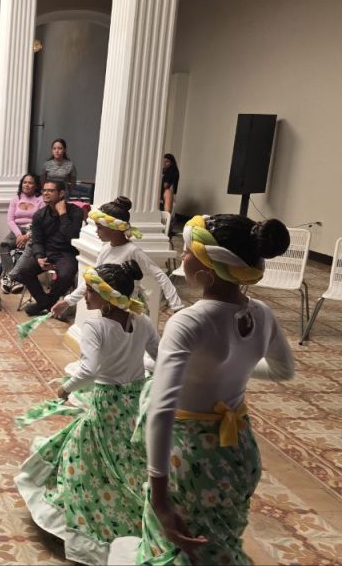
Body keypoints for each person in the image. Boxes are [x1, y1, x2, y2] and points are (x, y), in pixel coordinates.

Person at [113, 214, 294, 566]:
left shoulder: (190, 321)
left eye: (187, 252)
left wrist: (159, 498)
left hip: (191, 457)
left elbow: (162, 411)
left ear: (209, 268)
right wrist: (232, 368)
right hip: (239, 450)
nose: (182, 257)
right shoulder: (263, 313)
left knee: (178, 551)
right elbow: (283, 371)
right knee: (218, 545)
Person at [15, 260, 158, 566]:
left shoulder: (96, 327)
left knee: (85, 451)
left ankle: (86, 512)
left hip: (107, 400)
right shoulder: (143, 321)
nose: (86, 295)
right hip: (133, 399)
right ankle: (130, 504)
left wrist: (65, 389)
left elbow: (90, 370)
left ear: (107, 297)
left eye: (91, 291)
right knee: (125, 451)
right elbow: (159, 358)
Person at [51, 197, 185, 318]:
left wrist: (176, 306)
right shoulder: (105, 249)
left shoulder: (133, 251)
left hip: (129, 312)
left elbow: (160, 275)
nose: (96, 231)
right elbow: (93, 280)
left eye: (99, 227)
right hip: (108, 308)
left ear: (114, 228)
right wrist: (68, 301)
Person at [12, 180, 84, 316]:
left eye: (50, 190)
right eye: (44, 190)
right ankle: (48, 304)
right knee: (24, 270)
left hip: (67, 253)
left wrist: (63, 214)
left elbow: (72, 236)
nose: (46, 193)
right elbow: (37, 240)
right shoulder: (39, 215)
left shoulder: (76, 212)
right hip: (48, 252)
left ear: (61, 193)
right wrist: (39, 256)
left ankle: (42, 304)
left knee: (66, 275)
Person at [0, 174, 44, 294]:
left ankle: (11, 279)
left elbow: (40, 222)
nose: (27, 185)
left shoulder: (41, 200)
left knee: (24, 250)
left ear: (36, 186)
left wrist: (27, 235)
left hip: (33, 231)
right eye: (25, 182)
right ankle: (14, 279)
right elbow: (10, 220)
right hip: (16, 230)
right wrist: (19, 235)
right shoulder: (16, 199)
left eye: (30, 182)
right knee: (4, 245)